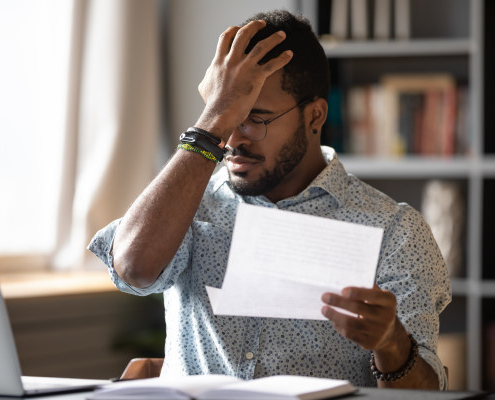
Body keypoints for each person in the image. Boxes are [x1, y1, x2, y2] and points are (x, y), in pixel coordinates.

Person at [88, 10, 451, 390]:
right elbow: (133, 268)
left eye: (254, 118)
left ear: (314, 117)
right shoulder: (190, 205)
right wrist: (212, 121)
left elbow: (425, 397)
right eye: (228, 117)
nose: (233, 140)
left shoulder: (394, 231)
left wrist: (392, 344)